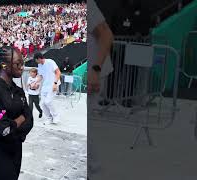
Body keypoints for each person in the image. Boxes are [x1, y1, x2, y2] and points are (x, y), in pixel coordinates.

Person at [0, 46, 33, 180]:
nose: (22, 67)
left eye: (23, 63)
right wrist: (21, 118)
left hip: (16, 147)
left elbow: (29, 119)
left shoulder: (18, 90)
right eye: (18, 64)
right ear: (4, 65)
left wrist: (15, 125)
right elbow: (2, 128)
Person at [87, 0, 114, 178]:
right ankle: (92, 169)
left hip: (94, 72)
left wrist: (95, 70)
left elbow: (107, 35)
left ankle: (93, 171)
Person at [34, 52, 61, 125]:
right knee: (42, 103)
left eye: (36, 60)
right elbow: (40, 76)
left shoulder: (50, 62)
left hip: (53, 84)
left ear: (39, 58)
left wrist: (55, 83)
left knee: (48, 101)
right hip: (45, 86)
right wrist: (35, 82)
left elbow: (58, 72)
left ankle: (56, 116)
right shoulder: (39, 65)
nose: (36, 62)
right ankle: (49, 118)